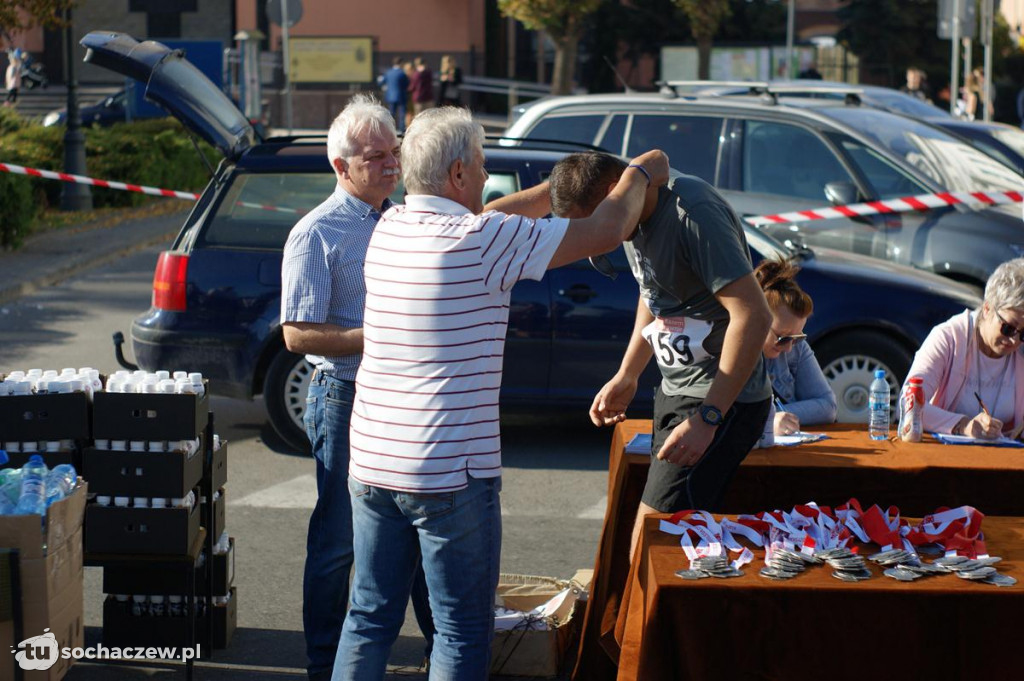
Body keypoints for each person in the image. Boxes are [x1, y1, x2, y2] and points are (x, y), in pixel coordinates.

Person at [331, 108, 668, 680]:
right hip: (448, 472)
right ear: (459, 174)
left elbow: (487, 214)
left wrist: (555, 186)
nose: (488, 178)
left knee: (367, 618)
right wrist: (640, 169)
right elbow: (606, 230)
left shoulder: (391, 227)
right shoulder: (483, 241)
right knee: (462, 631)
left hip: (373, 462)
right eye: (483, 167)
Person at [548, 151, 772, 558]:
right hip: (677, 389)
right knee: (675, 540)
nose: (602, 239)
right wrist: (628, 373)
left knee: (654, 535)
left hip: (721, 398)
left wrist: (708, 418)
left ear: (619, 188)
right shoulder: (631, 208)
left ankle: (644, 622)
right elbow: (652, 292)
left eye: (602, 226)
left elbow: (754, 317)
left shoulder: (693, 212)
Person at [280, 93, 432, 681]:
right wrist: (377, 335)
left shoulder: (401, 216)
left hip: (403, 396)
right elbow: (296, 335)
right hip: (344, 396)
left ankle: (442, 651)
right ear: (341, 167)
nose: (392, 164)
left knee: (420, 529)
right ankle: (323, 664)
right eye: (376, 157)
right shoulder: (315, 233)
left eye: (395, 150)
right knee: (339, 540)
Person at [901, 258, 1024, 440]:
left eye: (1023, 333)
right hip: (947, 460)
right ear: (987, 309)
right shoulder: (949, 337)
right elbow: (907, 406)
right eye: (1008, 328)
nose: (1014, 340)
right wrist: (963, 425)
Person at [754, 257, 837, 435]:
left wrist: (774, 416)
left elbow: (828, 406)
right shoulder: (727, 351)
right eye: (782, 337)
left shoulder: (796, 347)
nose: (789, 347)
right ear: (756, 320)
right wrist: (766, 422)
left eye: (797, 337)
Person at [379, 57, 409, 132]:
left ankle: (391, 130)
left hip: (390, 96)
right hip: (401, 96)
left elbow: (381, 82)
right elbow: (407, 84)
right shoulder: (402, 73)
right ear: (401, 63)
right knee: (402, 114)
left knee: (391, 114)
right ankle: (402, 130)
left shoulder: (388, 72)